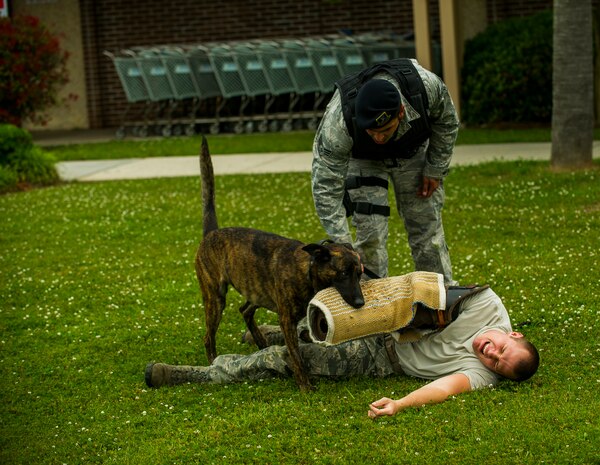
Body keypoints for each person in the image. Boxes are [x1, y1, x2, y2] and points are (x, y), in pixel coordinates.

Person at [145, 282, 539, 419]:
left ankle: (199, 373)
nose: (492, 355)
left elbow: (445, 388)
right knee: (315, 323)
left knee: (290, 360)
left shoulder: (482, 375)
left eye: (498, 365)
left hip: (385, 357)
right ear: (514, 333)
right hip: (388, 318)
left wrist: (400, 403)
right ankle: (277, 332)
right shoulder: (487, 304)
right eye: (503, 348)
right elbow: (429, 290)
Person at [311, 58, 459, 284]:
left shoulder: (426, 87)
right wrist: (342, 245)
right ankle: (373, 302)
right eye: (372, 131)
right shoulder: (339, 121)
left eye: (385, 129)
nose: (379, 138)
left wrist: (435, 168)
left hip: (413, 150)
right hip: (364, 159)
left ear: (400, 112)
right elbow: (325, 185)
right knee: (370, 234)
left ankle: (439, 297)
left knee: (427, 230)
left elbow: (447, 122)